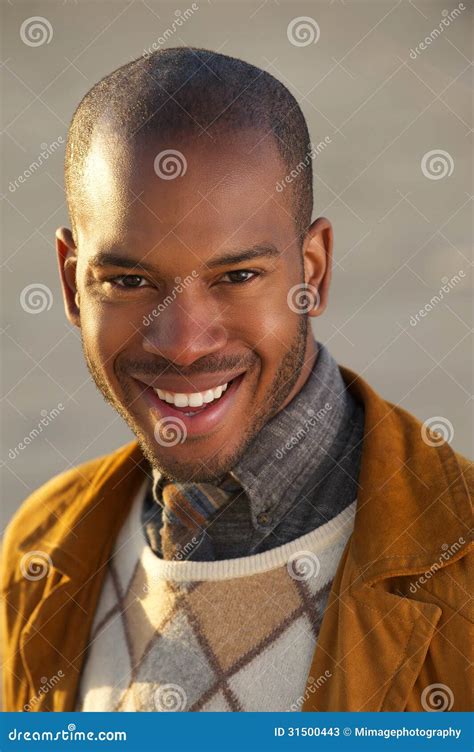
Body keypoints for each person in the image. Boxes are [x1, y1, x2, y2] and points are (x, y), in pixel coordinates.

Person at [1, 47, 472, 713]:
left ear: (312, 271)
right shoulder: (40, 551)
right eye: (129, 281)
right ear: (72, 284)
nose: (184, 343)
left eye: (237, 277)